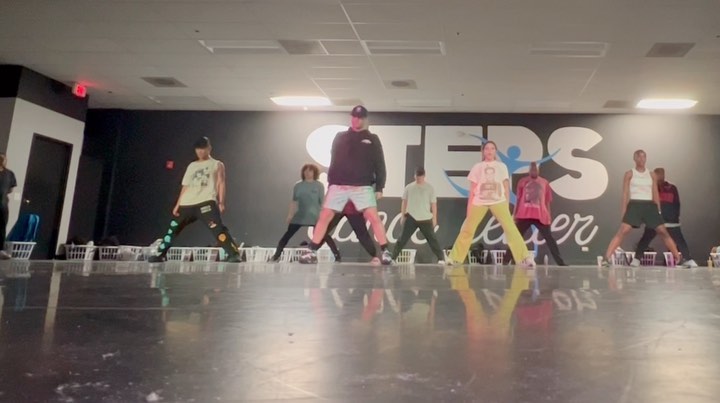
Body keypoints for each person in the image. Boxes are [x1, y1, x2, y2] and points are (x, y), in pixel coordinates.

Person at [300, 105, 392, 265]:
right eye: (354, 117)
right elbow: (334, 160)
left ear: (365, 119)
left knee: (373, 217)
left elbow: (380, 164)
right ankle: (311, 251)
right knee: (325, 216)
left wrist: (380, 187)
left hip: (362, 186)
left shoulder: (372, 139)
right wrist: (331, 183)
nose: (356, 120)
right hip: (339, 186)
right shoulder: (340, 137)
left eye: (360, 117)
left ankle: (385, 252)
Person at [149, 137, 241, 263]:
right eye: (198, 149)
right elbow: (185, 186)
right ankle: (160, 254)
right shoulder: (192, 166)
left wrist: (221, 202)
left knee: (218, 229)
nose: (200, 151)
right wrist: (177, 204)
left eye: (203, 148)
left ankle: (234, 254)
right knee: (173, 229)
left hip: (206, 201)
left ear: (209, 148)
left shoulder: (217, 164)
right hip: (187, 204)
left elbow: (221, 183)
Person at [447, 141, 535, 267]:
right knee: (467, 229)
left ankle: (524, 258)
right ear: (483, 151)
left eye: (492, 148)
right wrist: (469, 208)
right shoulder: (477, 167)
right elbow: (472, 190)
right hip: (479, 201)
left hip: (498, 201)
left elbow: (506, 187)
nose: (489, 151)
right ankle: (454, 258)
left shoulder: (501, 166)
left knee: (511, 229)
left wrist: (506, 205)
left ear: (495, 151)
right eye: (487, 148)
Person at [601, 150, 683, 266]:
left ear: (646, 159)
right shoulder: (629, 174)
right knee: (623, 230)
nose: (641, 159)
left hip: (649, 206)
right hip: (635, 204)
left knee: (663, 231)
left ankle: (678, 258)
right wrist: (624, 211)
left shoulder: (651, 174)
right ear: (634, 159)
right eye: (639, 157)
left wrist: (658, 210)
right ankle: (606, 258)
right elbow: (625, 194)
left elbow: (655, 193)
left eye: (643, 157)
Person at [270, 164, 342, 262]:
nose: (307, 173)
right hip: (300, 215)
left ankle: (337, 256)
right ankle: (276, 256)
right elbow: (294, 202)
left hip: (315, 216)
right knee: (287, 236)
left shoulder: (319, 185)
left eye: (310, 171)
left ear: (314, 173)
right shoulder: (298, 185)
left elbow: (322, 202)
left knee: (325, 236)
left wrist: (323, 217)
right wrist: (290, 215)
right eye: (306, 171)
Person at [631, 168, 697, 267]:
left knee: (680, 240)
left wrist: (675, 218)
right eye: (657, 174)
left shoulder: (672, 188)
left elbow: (676, 204)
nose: (659, 176)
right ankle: (636, 259)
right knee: (645, 239)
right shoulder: (650, 189)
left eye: (661, 174)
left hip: (671, 222)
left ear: (664, 175)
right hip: (654, 220)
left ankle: (688, 259)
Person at [512, 162, 567, 266]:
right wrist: (515, 214)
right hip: (524, 215)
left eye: (535, 169)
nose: (534, 171)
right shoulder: (522, 182)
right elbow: (518, 200)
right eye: (532, 169)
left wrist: (548, 216)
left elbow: (547, 201)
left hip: (540, 216)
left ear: (538, 170)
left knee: (550, 239)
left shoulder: (544, 183)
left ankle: (560, 262)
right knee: (515, 237)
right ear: (529, 170)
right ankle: (507, 260)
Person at [391, 167, 445, 264]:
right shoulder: (409, 187)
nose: (418, 179)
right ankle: (393, 258)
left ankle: (441, 258)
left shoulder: (430, 188)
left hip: (425, 217)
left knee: (432, 239)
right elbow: (404, 202)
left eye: (420, 177)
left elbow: (433, 204)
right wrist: (403, 215)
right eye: (417, 176)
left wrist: (434, 218)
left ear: (424, 176)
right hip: (411, 216)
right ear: (414, 176)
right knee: (402, 238)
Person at [0, 153, 17, 260]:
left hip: (2, 205)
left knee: (2, 226)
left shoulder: (9, 174)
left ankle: (0, 250)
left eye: (4, 159)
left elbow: (11, 189)